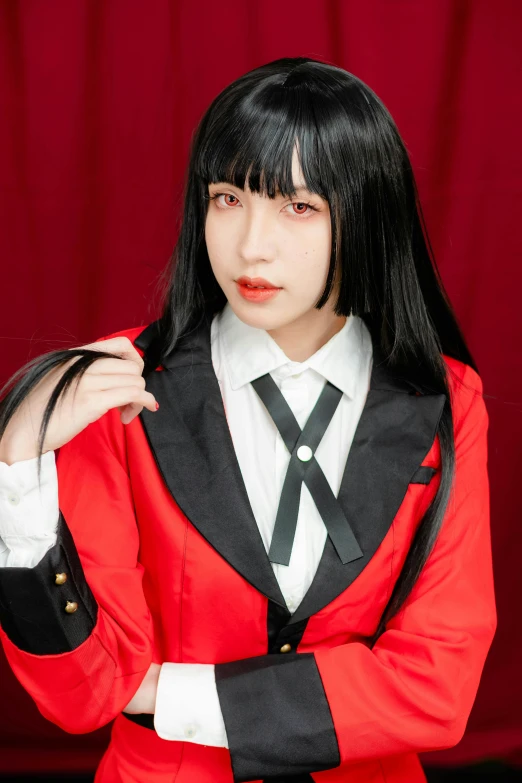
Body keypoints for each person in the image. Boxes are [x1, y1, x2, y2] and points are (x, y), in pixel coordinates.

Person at [0, 56, 496, 783]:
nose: (249, 246)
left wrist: (168, 696)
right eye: (227, 197)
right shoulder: (120, 389)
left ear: (366, 214)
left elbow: (438, 685)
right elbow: (86, 691)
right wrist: (17, 471)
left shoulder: (447, 398)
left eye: (298, 206)